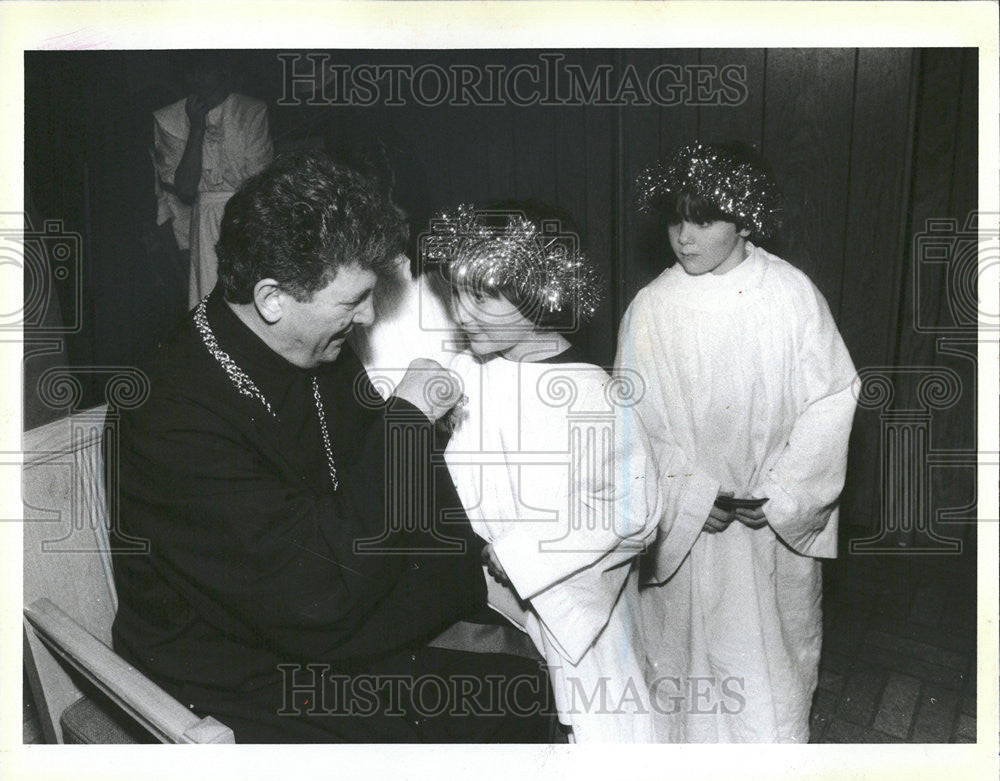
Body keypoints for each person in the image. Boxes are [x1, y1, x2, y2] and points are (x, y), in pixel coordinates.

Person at [110, 152, 553, 743]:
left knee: (512, 674)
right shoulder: (167, 409)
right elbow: (308, 595)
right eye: (352, 301)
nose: (369, 317)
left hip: (319, 596)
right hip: (230, 662)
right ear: (272, 299)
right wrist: (408, 421)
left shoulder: (312, 347)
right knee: (502, 698)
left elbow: (379, 490)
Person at [616, 141, 858, 743]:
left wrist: (781, 493)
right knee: (684, 671)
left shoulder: (790, 294)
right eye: (676, 219)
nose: (684, 236)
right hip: (692, 529)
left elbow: (831, 398)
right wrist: (692, 496)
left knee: (769, 666)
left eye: (704, 219)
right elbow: (633, 419)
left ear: (745, 219)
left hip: (765, 524)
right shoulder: (653, 307)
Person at [426, 205, 662, 742]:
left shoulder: (592, 394)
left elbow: (634, 512)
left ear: (541, 293)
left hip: (571, 611)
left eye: (481, 297)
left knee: (594, 732)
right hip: (486, 605)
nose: (461, 314)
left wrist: (521, 553)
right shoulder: (465, 371)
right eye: (455, 294)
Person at [152, 53, 273, 308]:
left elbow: (260, 181)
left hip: (247, 216)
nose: (197, 77)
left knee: (248, 297)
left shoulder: (251, 111)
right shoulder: (169, 119)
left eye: (204, 69)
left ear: (223, 71)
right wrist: (197, 128)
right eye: (191, 71)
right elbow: (185, 188)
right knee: (210, 299)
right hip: (205, 224)